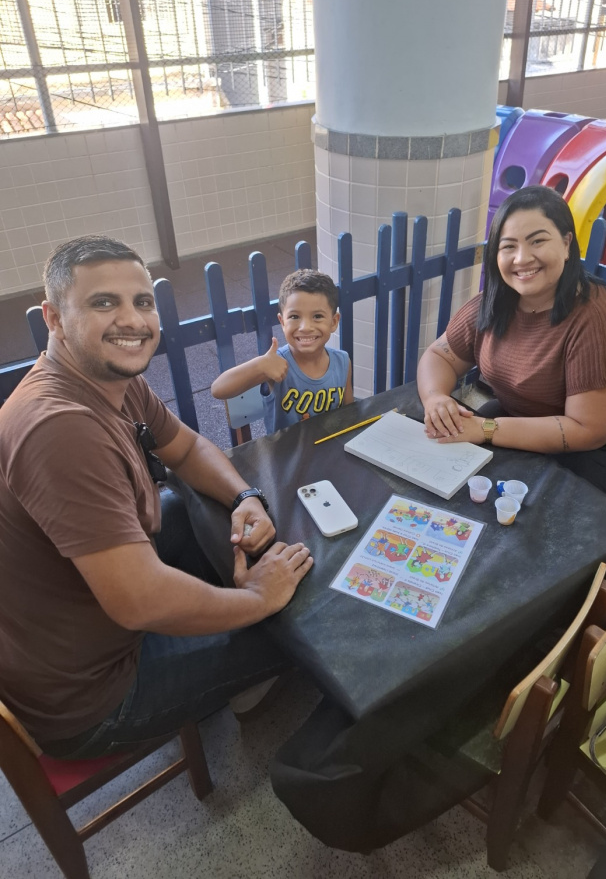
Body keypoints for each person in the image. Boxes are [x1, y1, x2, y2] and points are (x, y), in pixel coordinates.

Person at [0, 236, 313, 759]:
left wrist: (245, 495)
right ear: (53, 318)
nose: (133, 321)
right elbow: (139, 600)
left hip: (73, 625)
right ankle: (246, 671)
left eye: (142, 302)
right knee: (296, 630)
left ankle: (227, 643)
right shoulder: (60, 430)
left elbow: (187, 448)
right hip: (95, 695)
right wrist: (258, 600)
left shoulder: (106, 379)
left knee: (191, 509)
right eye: (104, 302)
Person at [417, 185, 606, 506]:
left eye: (538, 240)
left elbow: (588, 430)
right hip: (515, 422)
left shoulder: (600, 315)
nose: (522, 258)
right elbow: (439, 356)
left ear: (567, 243)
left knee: (520, 524)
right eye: (508, 246)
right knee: (457, 488)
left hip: (597, 455)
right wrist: (435, 398)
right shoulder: (494, 303)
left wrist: (485, 429)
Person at [211, 269, 353, 433]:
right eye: (294, 317)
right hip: (287, 457)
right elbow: (218, 389)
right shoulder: (275, 365)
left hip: (330, 451)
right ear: (282, 322)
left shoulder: (342, 362)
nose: (305, 327)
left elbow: (349, 415)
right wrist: (260, 366)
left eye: (317, 316)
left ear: (334, 322)